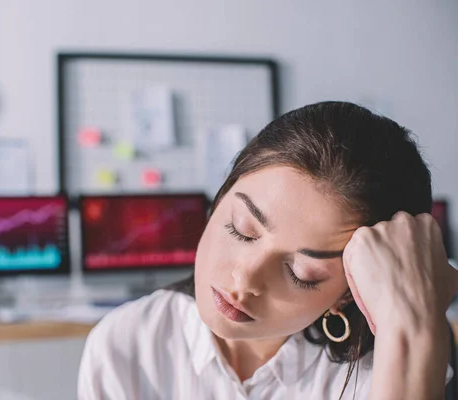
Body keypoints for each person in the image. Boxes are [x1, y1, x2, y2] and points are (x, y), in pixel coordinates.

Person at [77, 101, 458, 399]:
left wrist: (411, 325)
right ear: (219, 199)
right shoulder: (126, 344)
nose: (244, 279)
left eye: (301, 273)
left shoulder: (384, 368)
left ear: (347, 293)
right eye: (241, 229)